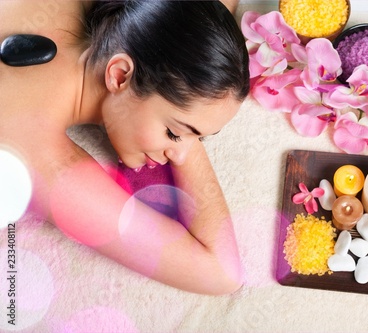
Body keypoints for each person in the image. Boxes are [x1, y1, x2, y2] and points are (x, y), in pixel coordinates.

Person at [0, 0, 249, 295]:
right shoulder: (36, 158)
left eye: (201, 138)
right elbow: (221, 272)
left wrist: (188, 111)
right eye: (174, 132)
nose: (179, 154)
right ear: (119, 75)